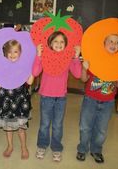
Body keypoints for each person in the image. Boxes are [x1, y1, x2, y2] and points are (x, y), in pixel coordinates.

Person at [76, 34, 118, 163]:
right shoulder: (95, 58)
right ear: (104, 43)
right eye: (111, 41)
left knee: (101, 129)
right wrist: (85, 68)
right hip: (90, 99)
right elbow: (84, 79)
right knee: (85, 126)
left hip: (108, 102)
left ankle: (96, 150)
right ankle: (82, 148)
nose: (114, 44)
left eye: (117, 42)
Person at [32, 31, 82, 162]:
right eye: (55, 41)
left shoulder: (67, 58)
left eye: (62, 42)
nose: (59, 44)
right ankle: (42, 146)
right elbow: (35, 72)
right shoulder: (45, 56)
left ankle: (56, 148)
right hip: (46, 97)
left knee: (58, 125)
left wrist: (76, 57)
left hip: (61, 97)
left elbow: (77, 74)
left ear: (66, 45)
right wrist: (38, 55)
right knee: (44, 124)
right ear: (50, 43)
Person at [0, 39, 34, 159]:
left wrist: (33, 69)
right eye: (9, 52)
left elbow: (30, 81)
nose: (12, 54)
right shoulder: (2, 68)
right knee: (8, 127)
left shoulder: (23, 67)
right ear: (5, 54)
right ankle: (10, 146)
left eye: (15, 52)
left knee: (21, 128)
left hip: (19, 101)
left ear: (20, 53)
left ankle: (24, 147)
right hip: (5, 101)